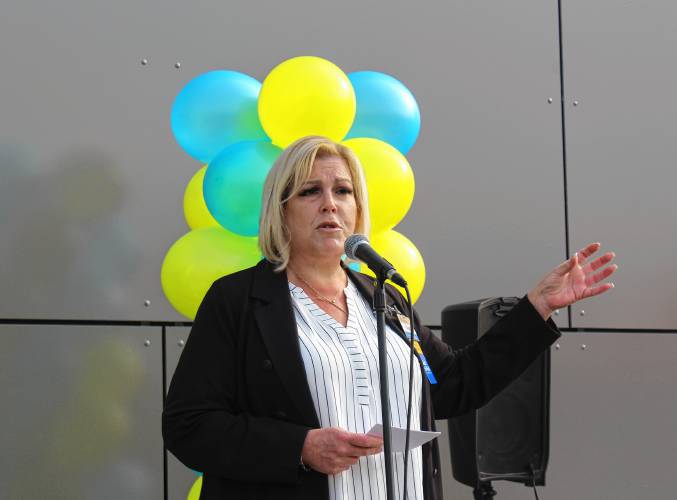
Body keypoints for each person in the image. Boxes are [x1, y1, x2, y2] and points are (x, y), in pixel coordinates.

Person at [162, 136, 617, 500]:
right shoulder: (239, 301)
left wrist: (537, 308)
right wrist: (300, 448)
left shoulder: (383, 298)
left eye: (343, 191)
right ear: (281, 209)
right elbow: (189, 427)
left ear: (358, 209)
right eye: (310, 191)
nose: (330, 204)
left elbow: (454, 385)